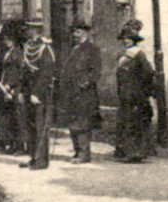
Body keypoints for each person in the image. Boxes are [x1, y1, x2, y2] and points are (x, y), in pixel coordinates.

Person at [112, 20, 157, 163]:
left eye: (129, 39)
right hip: (125, 95)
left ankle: (136, 153)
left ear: (135, 41)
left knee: (135, 123)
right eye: (124, 39)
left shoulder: (139, 55)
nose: (126, 42)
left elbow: (148, 73)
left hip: (136, 95)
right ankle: (125, 151)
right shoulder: (123, 56)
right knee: (126, 121)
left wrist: (143, 92)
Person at [60, 19, 102, 164]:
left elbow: (96, 72)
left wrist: (83, 84)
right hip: (72, 93)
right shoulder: (74, 49)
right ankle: (77, 151)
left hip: (84, 94)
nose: (75, 35)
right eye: (74, 32)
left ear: (85, 33)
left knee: (83, 123)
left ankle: (84, 154)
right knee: (73, 122)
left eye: (78, 32)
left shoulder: (92, 49)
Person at [19, 17, 57, 169]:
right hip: (29, 91)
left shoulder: (45, 48)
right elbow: (25, 72)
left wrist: (36, 93)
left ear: (36, 30)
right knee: (30, 126)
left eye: (29, 28)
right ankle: (33, 157)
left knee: (40, 126)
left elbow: (46, 74)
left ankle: (41, 161)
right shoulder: (29, 46)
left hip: (40, 93)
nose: (27, 30)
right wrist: (22, 91)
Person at [0, 20, 28, 154]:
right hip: (4, 88)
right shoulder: (4, 53)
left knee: (18, 117)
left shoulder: (18, 54)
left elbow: (19, 73)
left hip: (14, 88)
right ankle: (10, 143)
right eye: (4, 39)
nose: (6, 41)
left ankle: (20, 145)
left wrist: (11, 86)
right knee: (7, 117)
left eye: (9, 39)